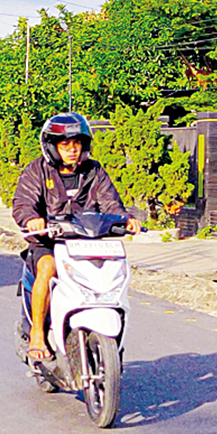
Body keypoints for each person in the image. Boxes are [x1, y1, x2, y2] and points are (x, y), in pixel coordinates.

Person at [12, 112, 141, 362]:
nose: (72, 150)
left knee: (110, 272)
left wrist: (125, 219)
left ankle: (111, 343)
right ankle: (38, 333)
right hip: (48, 243)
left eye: (76, 143)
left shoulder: (94, 171)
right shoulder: (36, 171)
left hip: (86, 245)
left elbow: (111, 202)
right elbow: (23, 204)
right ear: (52, 146)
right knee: (47, 267)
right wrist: (32, 219)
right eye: (65, 144)